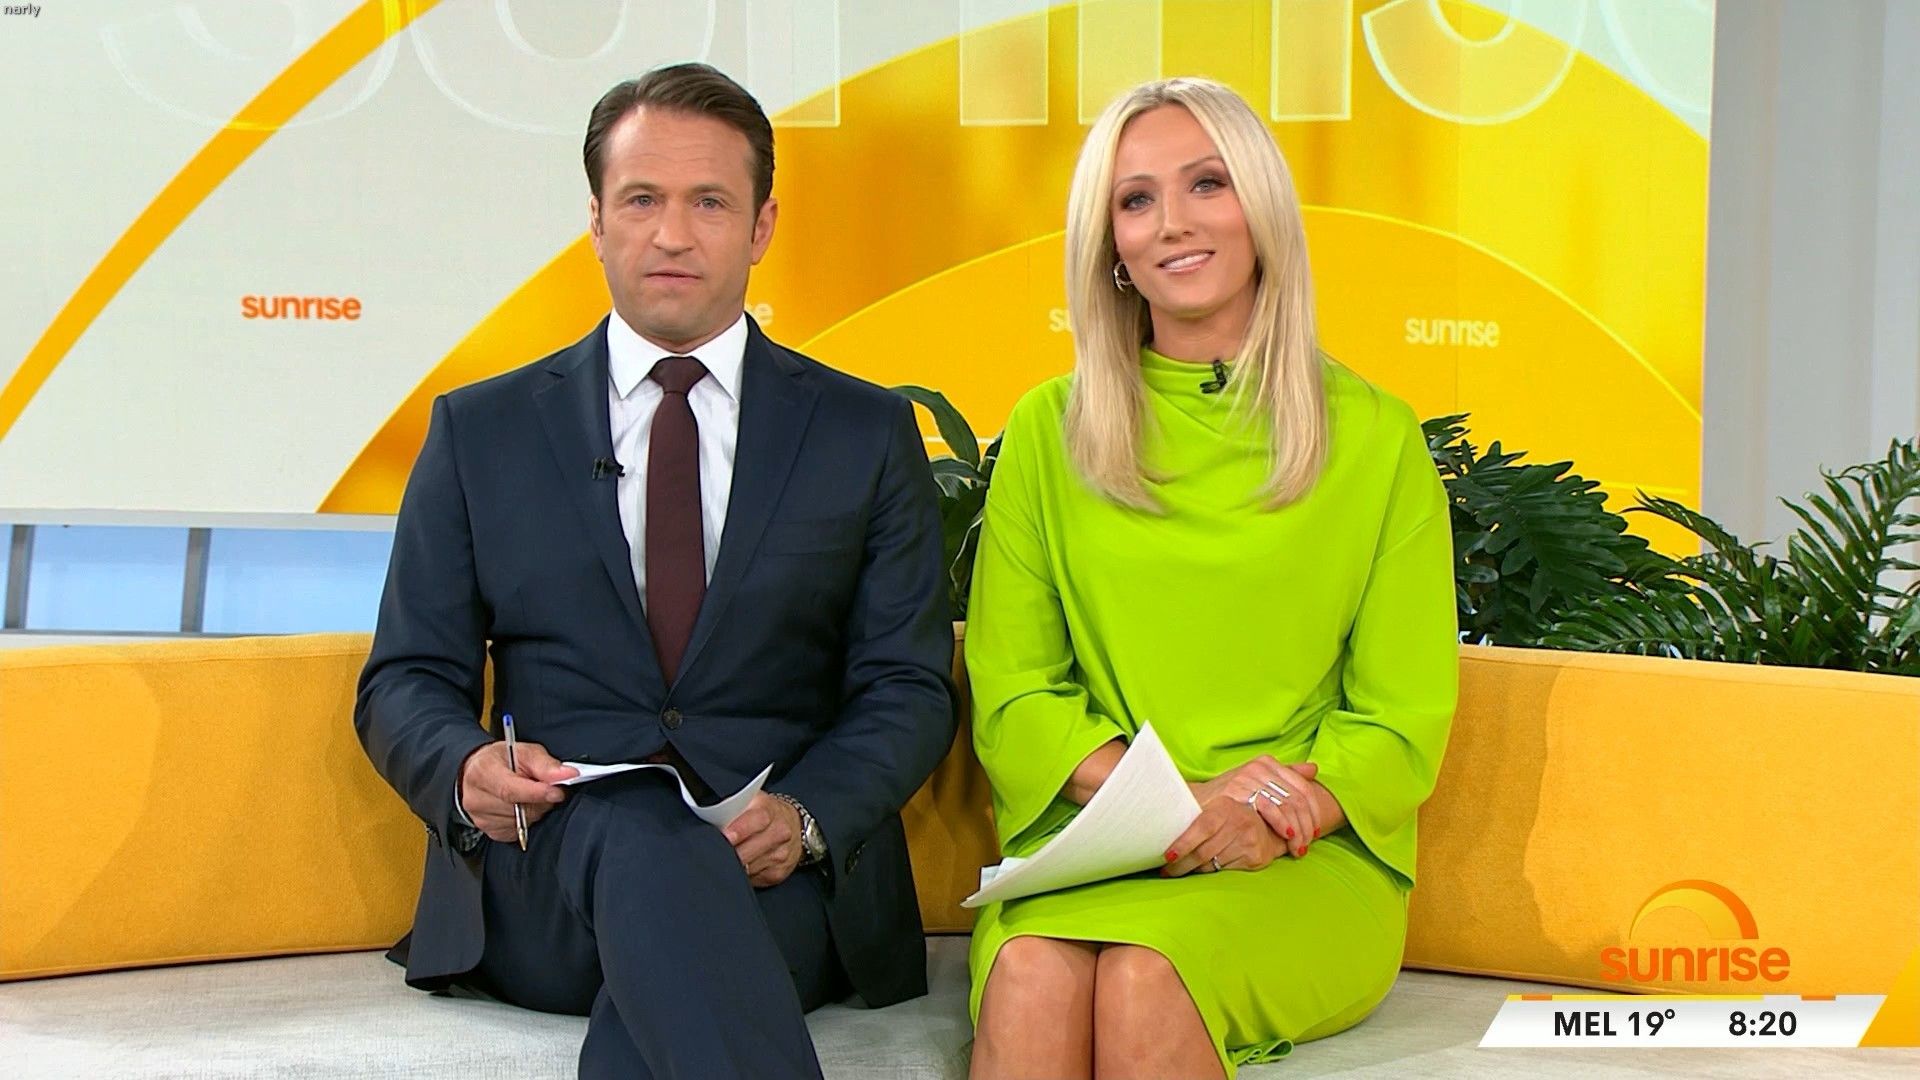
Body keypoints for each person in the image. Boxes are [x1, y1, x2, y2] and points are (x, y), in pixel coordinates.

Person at [355, 62, 956, 1079]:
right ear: (596, 222)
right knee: (645, 842)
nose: (672, 234)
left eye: (708, 202)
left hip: (776, 873)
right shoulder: (481, 432)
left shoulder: (862, 432)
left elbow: (906, 685)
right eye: (641, 200)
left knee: (681, 936)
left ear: (762, 227)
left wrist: (806, 818)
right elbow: (405, 677)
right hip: (550, 869)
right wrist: (465, 768)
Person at [963, 77, 1458, 1079]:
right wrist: (1176, 801)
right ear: (1110, 242)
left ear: (1261, 205)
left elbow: (1400, 717)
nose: (1173, 223)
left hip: (1303, 855)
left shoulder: (1375, 437)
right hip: (1098, 842)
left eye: (1207, 184)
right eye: (1136, 199)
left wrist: (1265, 811)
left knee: (1147, 974)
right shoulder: (1048, 433)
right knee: (1032, 973)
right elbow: (1015, 695)